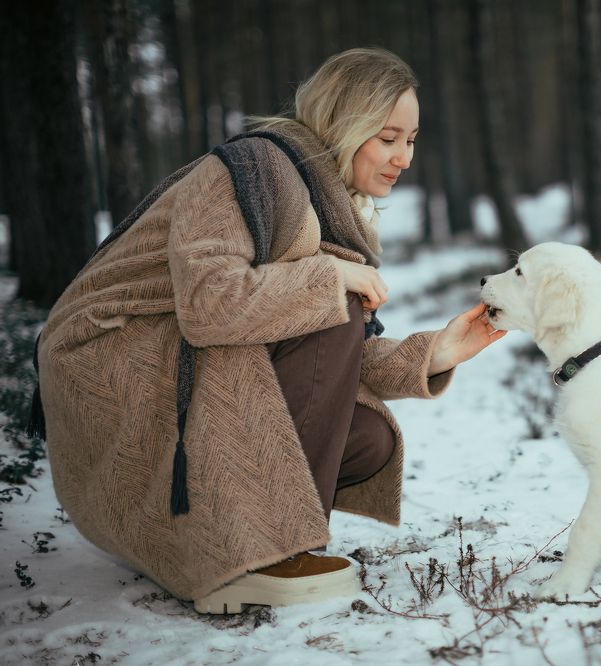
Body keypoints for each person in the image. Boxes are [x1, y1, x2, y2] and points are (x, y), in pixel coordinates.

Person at [35, 47, 505, 614]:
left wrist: (434, 352)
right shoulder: (249, 171)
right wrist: (329, 275)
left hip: (172, 354)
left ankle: (254, 538)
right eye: (387, 137)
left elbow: (323, 356)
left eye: (411, 139)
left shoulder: (321, 199)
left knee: (367, 439)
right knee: (327, 301)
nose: (403, 156)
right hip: (108, 361)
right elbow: (210, 303)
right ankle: (253, 555)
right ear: (343, 123)